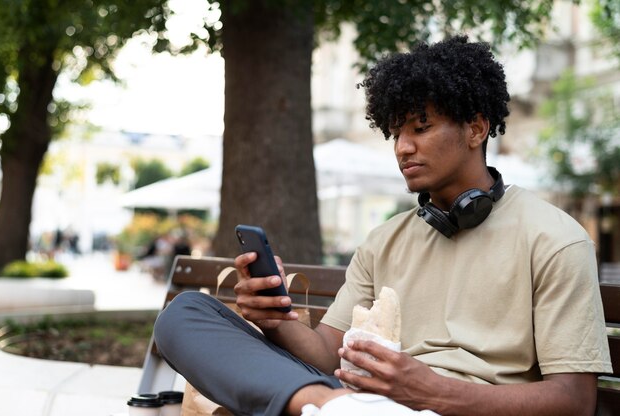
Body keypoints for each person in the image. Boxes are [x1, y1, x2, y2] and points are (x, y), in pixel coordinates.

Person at [154, 35, 612, 415]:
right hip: (358, 398)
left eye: (421, 126)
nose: (403, 148)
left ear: (476, 129)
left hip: (455, 407)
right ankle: (332, 406)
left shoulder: (556, 239)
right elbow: (327, 354)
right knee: (185, 314)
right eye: (396, 132)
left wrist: (433, 391)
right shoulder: (385, 240)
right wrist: (274, 320)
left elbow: (574, 400)